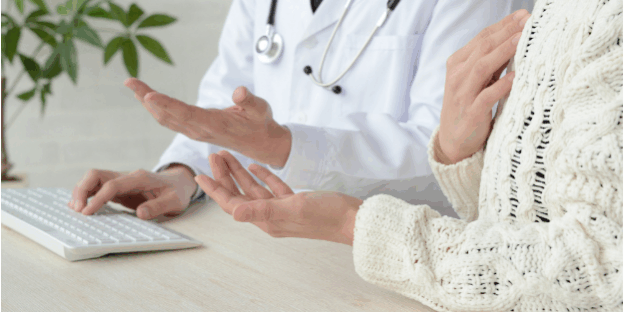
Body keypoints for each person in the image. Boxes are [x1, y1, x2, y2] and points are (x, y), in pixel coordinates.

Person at [196, 0, 623, 310]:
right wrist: (459, 156)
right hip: (323, 262)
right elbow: (517, 214)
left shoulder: (609, 21)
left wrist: (353, 223)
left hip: (375, 257)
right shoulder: (559, 10)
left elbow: (599, 270)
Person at [67, 0, 526, 219]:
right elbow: (224, 106)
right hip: (263, 235)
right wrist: (181, 174)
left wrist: (286, 147)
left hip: (391, 252)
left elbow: (449, 153)